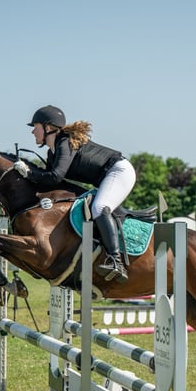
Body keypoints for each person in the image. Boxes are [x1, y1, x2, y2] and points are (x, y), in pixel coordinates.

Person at [14, 105, 136, 283]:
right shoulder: (52, 153)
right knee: (93, 207)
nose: (33, 131)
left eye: (36, 126)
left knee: (99, 207)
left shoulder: (64, 143)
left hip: (119, 171)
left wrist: (29, 173)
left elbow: (55, 177)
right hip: (105, 177)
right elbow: (48, 181)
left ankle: (115, 261)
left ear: (48, 128)